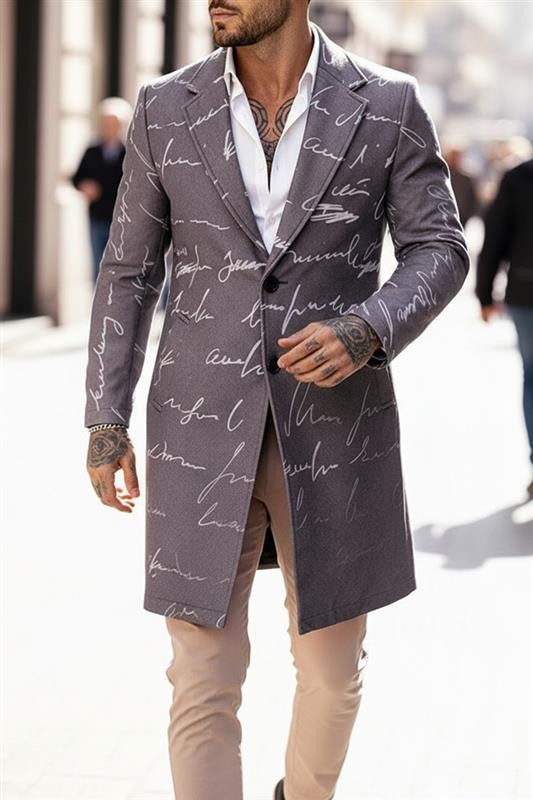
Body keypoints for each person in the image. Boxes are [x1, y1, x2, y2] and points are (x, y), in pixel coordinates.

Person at [83, 2, 469, 798]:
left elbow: (438, 246)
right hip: (196, 428)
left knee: (331, 672)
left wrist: (368, 327)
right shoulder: (164, 105)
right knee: (201, 673)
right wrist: (104, 416)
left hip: (335, 430)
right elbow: (127, 271)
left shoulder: (386, 103)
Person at [476, 157, 533, 499]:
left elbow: (495, 235)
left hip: (526, 292)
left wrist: (485, 295)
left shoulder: (519, 177)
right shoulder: (516, 177)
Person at [71, 97, 130, 285]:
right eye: (105, 123)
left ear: (121, 126)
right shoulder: (92, 151)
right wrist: (84, 185)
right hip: (97, 216)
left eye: (112, 123)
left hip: (121, 218)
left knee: (118, 264)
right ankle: (98, 299)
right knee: (97, 262)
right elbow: (77, 177)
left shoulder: (129, 152)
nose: (108, 127)